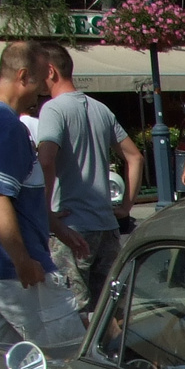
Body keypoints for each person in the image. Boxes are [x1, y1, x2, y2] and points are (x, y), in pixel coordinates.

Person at [0, 39, 85, 346]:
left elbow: (17, 192)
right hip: (12, 272)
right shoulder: (6, 126)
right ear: (23, 76)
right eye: (40, 81)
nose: (43, 91)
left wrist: (57, 228)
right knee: (67, 355)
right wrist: (22, 260)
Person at [34, 43, 144, 316]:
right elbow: (135, 157)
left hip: (71, 226)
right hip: (105, 226)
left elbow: (46, 159)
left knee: (73, 310)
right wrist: (126, 205)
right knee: (110, 311)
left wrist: (45, 211)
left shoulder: (53, 109)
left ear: (51, 71)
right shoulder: (99, 109)